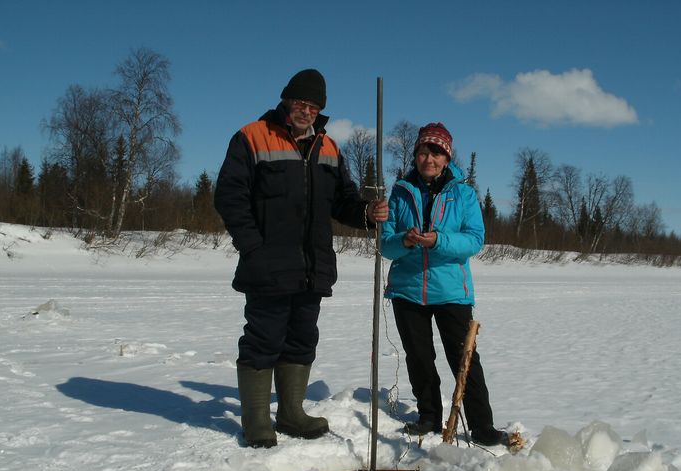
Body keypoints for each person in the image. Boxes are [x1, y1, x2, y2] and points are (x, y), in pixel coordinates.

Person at [214, 68, 388, 448]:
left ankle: (291, 412)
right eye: (300, 103)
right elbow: (230, 196)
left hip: (313, 266)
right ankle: (257, 419)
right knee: (263, 339)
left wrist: (365, 214)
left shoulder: (328, 147)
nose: (306, 111)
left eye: (313, 106)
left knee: (301, 339)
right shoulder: (252, 137)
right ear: (286, 101)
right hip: (267, 264)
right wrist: (252, 246)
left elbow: (341, 200)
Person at [380, 122, 503, 446]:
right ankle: (429, 416)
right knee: (418, 358)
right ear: (416, 155)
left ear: (447, 158)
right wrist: (405, 241)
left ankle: (482, 426)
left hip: (450, 291)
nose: (429, 158)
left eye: (436, 152)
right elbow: (385, 245)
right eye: (423, 151)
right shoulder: (401, 191)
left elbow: (474, 240)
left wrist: (437, 240)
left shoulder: (463, 193)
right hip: (407, 289)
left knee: (464, 358)